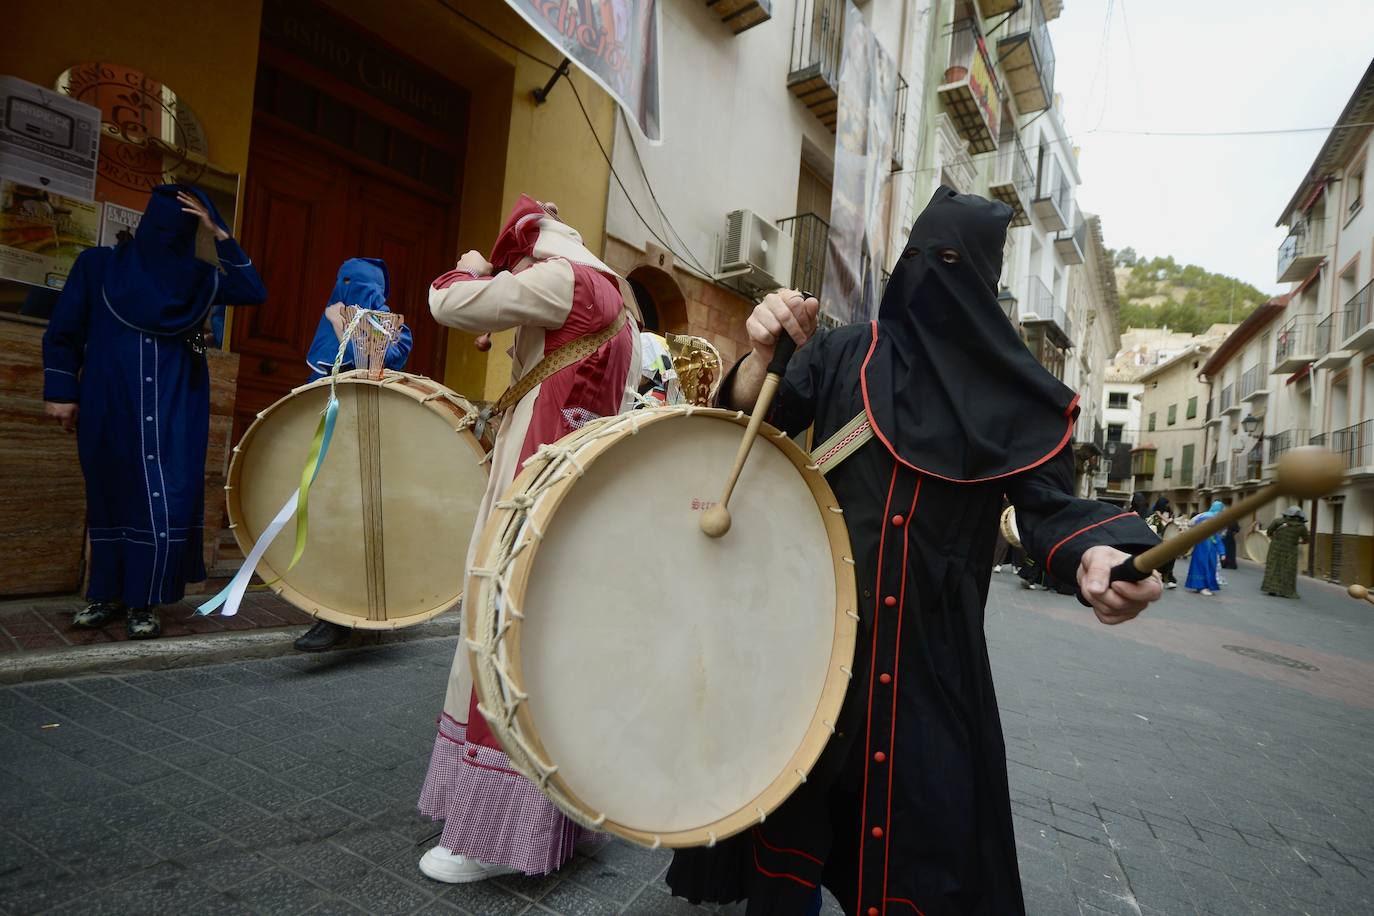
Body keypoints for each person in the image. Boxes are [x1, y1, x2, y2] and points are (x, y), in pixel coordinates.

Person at [666, 187, 1162, 916]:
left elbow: (1053, 510)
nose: (930, 275)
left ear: (984, 282)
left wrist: (1096, 555)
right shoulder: (842, 354)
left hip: (931, 679)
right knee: (784, 859)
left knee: (914, 870)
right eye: (920, 257)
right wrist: (759, 356)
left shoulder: (1010, 403)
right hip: (808, 663)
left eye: (952, 263)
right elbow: (749, 422)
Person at [415, 195, 640, 884]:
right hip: (575, 489)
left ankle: (487, 840)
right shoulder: (617, 304)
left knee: (502, 638)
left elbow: (448, 307)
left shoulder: (561, 279)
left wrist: (469, 269)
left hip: (531, 481)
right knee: (558, 652)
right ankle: (563, 824)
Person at [43, 186, 267, 638]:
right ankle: (105, 595)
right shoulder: (99, 266)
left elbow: (251, 290)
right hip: (111, 402)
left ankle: (143, 604)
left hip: (174, 406)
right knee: (111, 495)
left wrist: (219, 233)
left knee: (166, 499)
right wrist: (61, 390)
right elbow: (64, 331)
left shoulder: (197, 278)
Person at [292, 258, 414, 652]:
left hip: (371, 439)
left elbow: (375, 360)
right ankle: (331, 612)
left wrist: (342, 324)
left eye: (360, 286)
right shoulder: (321, 329)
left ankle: (353, 614)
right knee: (328, 525)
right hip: (329, 441)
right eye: (345, 283)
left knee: (364, 526)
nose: (351, 291)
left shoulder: (396, 331)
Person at [1261, 507, 1310, 598]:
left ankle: (1271, 588)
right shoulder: (1301, 527)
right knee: (1288, 569)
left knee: (1274, 567)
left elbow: (1269, 532)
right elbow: (1306, 540)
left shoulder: (1277, 522)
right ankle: (1286, 591)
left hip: (1275, 548)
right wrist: (1297, 542)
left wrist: (1275, 539)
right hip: (1291, 551)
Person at [1184, 500, 1227, 595]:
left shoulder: (1202, 516)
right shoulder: (1213, 518)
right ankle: (1203, 587)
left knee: (1201, 566)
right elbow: (1217, 537)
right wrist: (1222, 552)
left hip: (1202, 546)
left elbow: (1191, 525)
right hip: (1207, 547)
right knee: (1206, 566)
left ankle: (1201, 586)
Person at [1145, 498, 1179, 589]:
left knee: (1170, 560)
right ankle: (1159, 578)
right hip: (1157, 543)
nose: (1167, 506)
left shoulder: (1168, 513)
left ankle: (1169, 578)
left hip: (1168, 543)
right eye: (1165, 504)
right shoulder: (1153, 516)